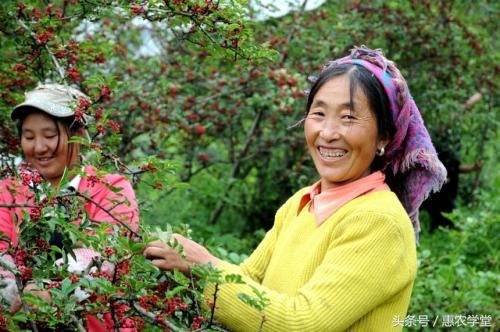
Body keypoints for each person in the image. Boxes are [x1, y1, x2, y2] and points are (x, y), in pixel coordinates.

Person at [143, 46, 447, 331]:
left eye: (349, 117)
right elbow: (249, 283)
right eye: (318, 113)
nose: (327, 133)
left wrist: (204, 266)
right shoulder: (301, 203)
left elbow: (302, 323)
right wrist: (179, 266)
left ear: (384, 137)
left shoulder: (379, 221)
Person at [0, 83, 139, 329]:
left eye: (50, 135)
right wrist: (15, 293)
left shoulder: (110, 188)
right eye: (29, 137)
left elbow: (103, 256)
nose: (39, 147)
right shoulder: (8, 192)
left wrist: (45, 288)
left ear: (79, 136)